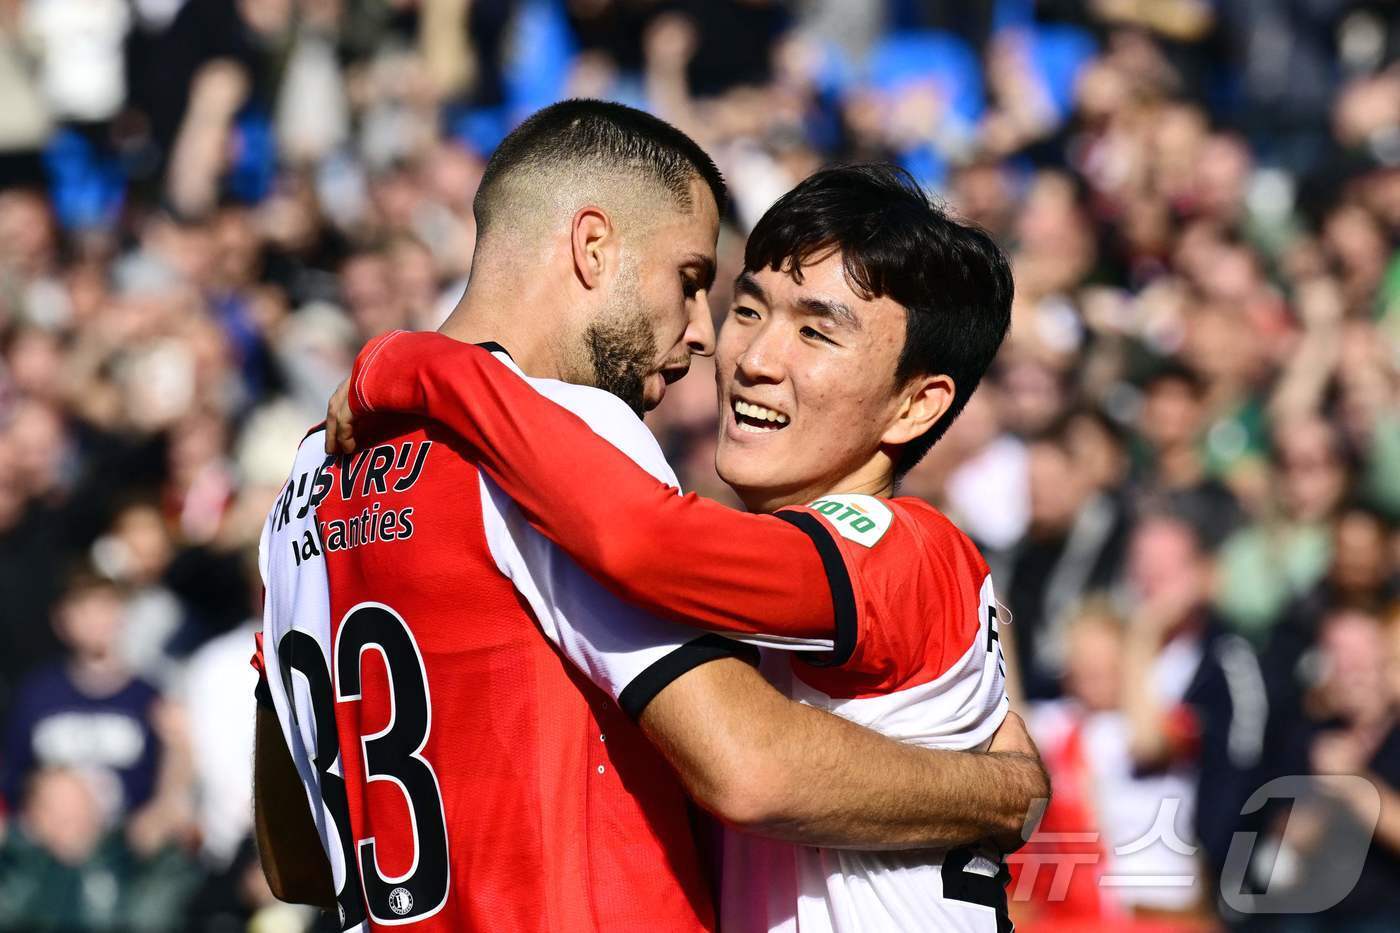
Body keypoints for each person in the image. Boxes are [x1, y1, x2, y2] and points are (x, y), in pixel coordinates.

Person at [255, 102, 1047, 932]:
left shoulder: (309, 479)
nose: (730, 349)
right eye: (724, 296)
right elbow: (745, 760)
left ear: (918, 406)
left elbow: (301, 858)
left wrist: (418, 361)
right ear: (594, 247)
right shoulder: (561, 441)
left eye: (815, 332)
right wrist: (995, 792)